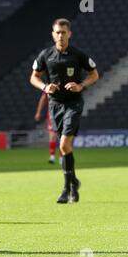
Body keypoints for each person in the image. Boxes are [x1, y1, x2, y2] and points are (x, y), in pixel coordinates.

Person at [30, 18, 99, 204]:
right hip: (55, 105)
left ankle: (65, 190)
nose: (60, 35)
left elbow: (94, 74)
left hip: (73, 104)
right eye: (57, 32)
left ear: (69, 34)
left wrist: (81, 85)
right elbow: (34, 77)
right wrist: (45, 87)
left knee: (63, 145)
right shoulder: (46, 55)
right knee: (65, 147)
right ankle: (74, 183)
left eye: (63, 32)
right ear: (53, 35)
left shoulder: (77, 55)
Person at [35, 92, 60, 164]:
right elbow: (43, 99)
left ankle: (62, 157)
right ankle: (52, 157)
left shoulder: (64, 83)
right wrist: (38, 112)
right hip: (52, 114)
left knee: (63, 136)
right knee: (52, 136)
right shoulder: (49, 85)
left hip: (64, 112)